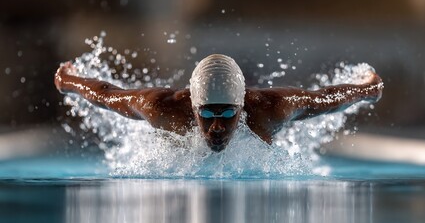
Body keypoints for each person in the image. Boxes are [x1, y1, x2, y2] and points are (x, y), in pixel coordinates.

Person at [55, 54, 383, 152]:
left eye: (228, 113)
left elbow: (325, 99)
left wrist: (368, 89)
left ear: (242, 105)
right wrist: (67, 81)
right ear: (192, 106)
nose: (216, 126)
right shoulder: (162, 108)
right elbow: (107, 94)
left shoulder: (271, 108)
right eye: (207, 113)